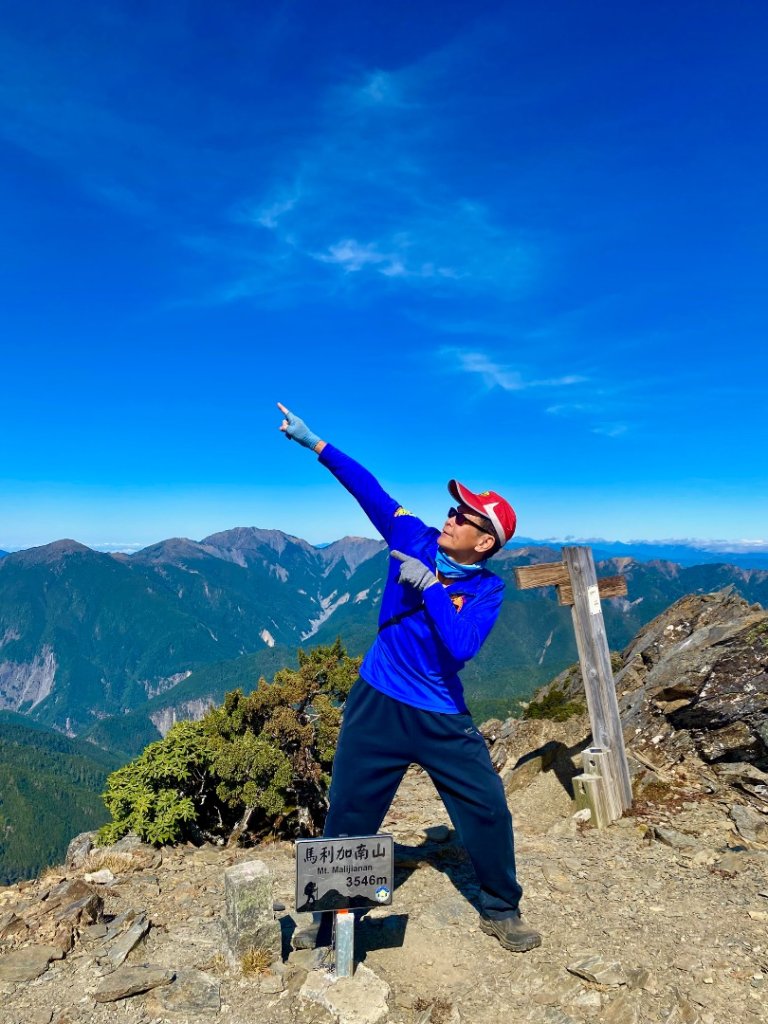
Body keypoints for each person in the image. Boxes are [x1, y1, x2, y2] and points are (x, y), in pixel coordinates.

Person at [277, 403, 541, 953]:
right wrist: (316, 443)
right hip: (376, 698)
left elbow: (461, 646)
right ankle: (324, 922)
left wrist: (433, 590)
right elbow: (367, 488)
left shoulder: (489, 591)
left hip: (441, 711)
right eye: (453, 508)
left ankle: (501, 908)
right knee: (350, 811)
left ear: (485, 542)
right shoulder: (412, 536)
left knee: (486, 808)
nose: (450, 516)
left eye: (463, 516)